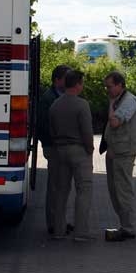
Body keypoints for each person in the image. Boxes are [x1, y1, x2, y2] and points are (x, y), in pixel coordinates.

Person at [47, 69, 95, 242]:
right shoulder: (82, 105)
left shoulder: (55, 105)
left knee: (61, 191)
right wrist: (90, 149)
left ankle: (58, 230)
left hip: (60, 150)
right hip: (79, 150)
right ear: (78, 84)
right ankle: (81, 232)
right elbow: (87, 131)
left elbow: (51, 129)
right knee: (84, 190)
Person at [100, 70, 136, 242]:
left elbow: (114, 122)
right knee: (115, 190)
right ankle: (125, 225)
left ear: (120, 85)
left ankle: (128, 228)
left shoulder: (128, 100)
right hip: (116, 151)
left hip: (124, 152)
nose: (107, 90)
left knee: (122, 190)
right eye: (106, 87)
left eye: (110, 87)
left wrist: (111, 104)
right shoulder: (121, 99)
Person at [37, 64, 70, 235]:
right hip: (54, 147)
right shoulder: (48, 98)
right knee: (55, 186)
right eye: (66, 78)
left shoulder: (57, 96)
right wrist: (53, 142)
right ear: (57, 80)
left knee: (61, 186)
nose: (69, 81)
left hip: (58, 146)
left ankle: (59, 221)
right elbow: (43, 125)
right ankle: (54, 223)